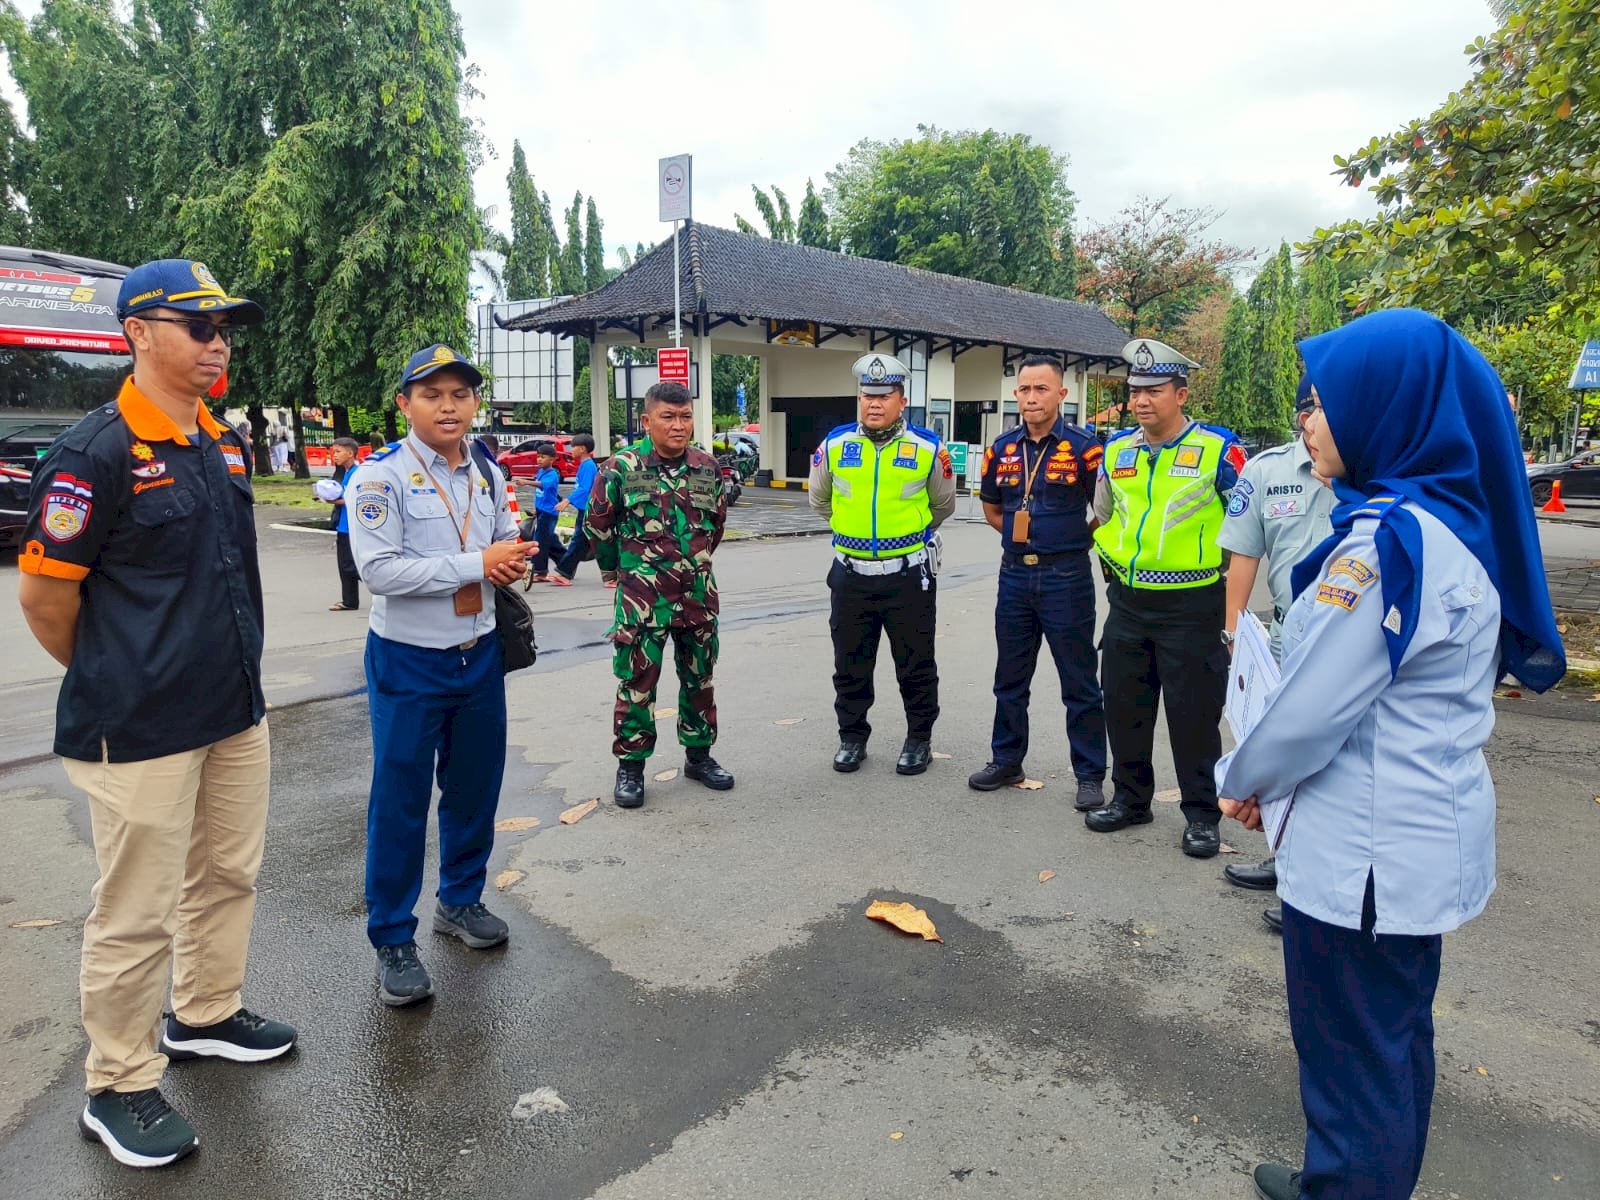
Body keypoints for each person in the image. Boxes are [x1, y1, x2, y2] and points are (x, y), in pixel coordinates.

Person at [1214, 310, 1565, 1200]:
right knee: (1393, 1042)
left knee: (1353, 1054)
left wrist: (1241, 781)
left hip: (1363, 854)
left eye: (1327, 403)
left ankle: (1349, 1185)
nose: (1308, 420)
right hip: (1413, 837)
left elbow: (1308, 711)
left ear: (1388, 411)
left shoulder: (1388, 546)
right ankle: (1351, 1178)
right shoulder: (1450, 526)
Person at [16, 258, 295, 1169]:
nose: (218, 344)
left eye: (224, 329)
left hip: (230, 711)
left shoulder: (215, 439)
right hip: (136, 727)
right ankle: (119, 1083)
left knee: (227, 875)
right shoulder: (93, 453)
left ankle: (206, 1013)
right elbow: (46, 599)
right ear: (138, 332)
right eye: (197, 325)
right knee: (135, 912)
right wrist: (117, 670)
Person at [346, 344, 537, 1007]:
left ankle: (459, 901)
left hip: (479, 654)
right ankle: (392, 938)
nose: (449, 406)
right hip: (408, 660)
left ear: (475, 403)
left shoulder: (485, 472)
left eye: (460, 394)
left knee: (473, 788)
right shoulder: (380, 479)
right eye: (432, 394)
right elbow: (380, 571)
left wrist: (515, 560)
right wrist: (477, 564)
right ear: (405, 405)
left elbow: (507, 535)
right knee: (399, 801)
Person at [1087, 338, 1246, 858]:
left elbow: (1246, 526)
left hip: (1193, 605)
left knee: (1193, 716)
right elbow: (1105, 515)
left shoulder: (1220, 451)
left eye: (1154, 390)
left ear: (1181, 394)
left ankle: (1201, 815)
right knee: (1124, 708)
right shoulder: (1116, 450)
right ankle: (1131, 799)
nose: (1141, 400)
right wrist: (1112, 561)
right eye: (1135, 391)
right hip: (1129, 603)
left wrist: (1231, 612)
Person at [1216, 377, 1335, 931]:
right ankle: (1284, 859)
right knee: (1281, 755)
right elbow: (1243, 554)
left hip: (1341, 638)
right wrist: (1235, 632)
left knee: (1327, 762)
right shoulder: (1266, 471)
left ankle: (1313, 887)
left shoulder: (1359, 471)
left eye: (1322, 407)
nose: (1311, 418)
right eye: (1306, 407)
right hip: (1286, 637)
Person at [969, 355, 1108, 809]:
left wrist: (1069, 541)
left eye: (1041, 389)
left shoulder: (1087, 449)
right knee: (1010, 677)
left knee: (1079, 681)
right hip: (1014, 576)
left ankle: (1089, 774)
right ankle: (1006, 759)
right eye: (1025, 389)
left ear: (1062, 395)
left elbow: (1104, 512)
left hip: (1066, 578)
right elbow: (993, 508)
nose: (1031, 398)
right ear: (1017, 394)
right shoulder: (1002, 448)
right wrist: (1019, 537)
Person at [808, 353, 957, 776]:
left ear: (901, 400)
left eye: (883, 396)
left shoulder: (928, 447)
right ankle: (852, 738)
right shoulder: (835, 445)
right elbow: (819, 499)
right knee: (850, 663)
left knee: (916, 663)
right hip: (851, 575)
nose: (873, 404)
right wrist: (851, 533)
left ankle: (919, 739)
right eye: (866, 396)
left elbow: (942, 504)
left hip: (908, 576)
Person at [587, 382, 732, 807]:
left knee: (699, 680)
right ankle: (631, 768)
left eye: (685, 416)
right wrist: (619, 571)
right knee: (636, 684)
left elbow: (715, 526)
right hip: (641, 602)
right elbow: (598, 525)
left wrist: (692, 563)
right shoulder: (620, 468)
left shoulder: (708, 467)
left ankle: (699, 757)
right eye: (668, 417)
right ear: (646, 421)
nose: (678, 425)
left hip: (697, 597)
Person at [550, 433, 598, 587]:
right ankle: (566, 572)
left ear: (583, 449)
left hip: (589, 509)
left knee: (579, 540)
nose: (571, 450)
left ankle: (564, 573)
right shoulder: (585, 465)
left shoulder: (588, 466)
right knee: (582, 541)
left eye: (573, 447)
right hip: (586, 509)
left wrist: (567, 500)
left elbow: (584, 489)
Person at [326, 436, 363, 611]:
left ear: (350, 453)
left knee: (349, 565)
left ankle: (385, 587)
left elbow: (353, 499)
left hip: (352, 526)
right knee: (344, 565)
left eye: (338, 452)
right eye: (334, 452)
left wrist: (333, 500)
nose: (335, 455)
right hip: (343, 524)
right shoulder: (346, 472)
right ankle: (349, 601)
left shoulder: (358, 473)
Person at [526, 444, 564, 582]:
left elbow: (543, 485)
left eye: (543, 457)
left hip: (549, 513)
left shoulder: (553, 474)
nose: (539, 459)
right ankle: (566, 564)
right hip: (542, 511)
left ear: (552, 459)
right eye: (538, 456)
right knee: (550, 541)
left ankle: (540, 572)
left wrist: (526, 482)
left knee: (540, 541)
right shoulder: (541, 472)